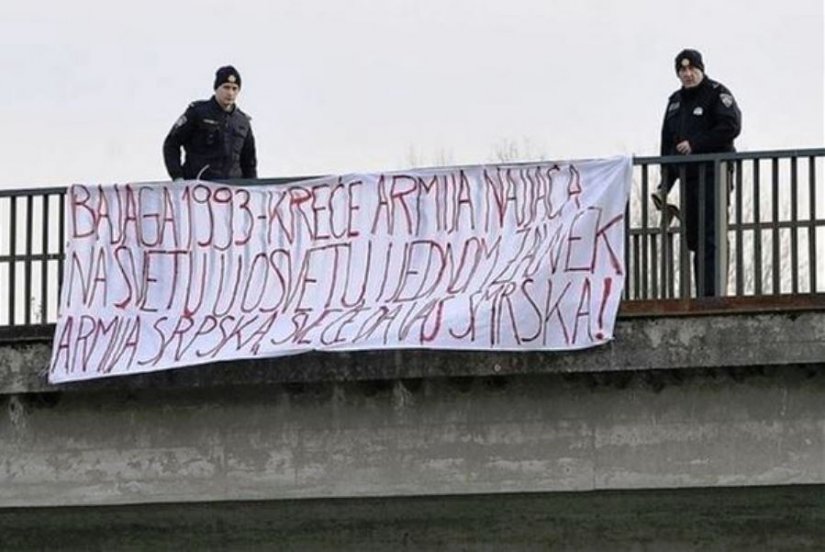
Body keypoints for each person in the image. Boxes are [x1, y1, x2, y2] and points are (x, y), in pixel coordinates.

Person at [654, 48, 741, 297]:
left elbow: (731, 126)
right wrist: (665, 184)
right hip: (689, 178)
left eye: (692, 69)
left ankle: (713, 294)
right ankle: (702, 292)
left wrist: (696, 144)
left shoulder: (716, 93)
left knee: (712, 233)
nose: (687, 74)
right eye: (682, 70)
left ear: (701, 69)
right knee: (695, 236)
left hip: (714, 173)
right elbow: (668, 146)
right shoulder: (675, 102)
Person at [163, 65, 257, 181]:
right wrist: (177, 177)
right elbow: (171, 143)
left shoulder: (242, 122)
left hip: (233, 191)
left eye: (234, 88)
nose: (230, 93)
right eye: (226, 87)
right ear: (216, 88)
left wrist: (252, 187)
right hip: (197, 189)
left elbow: (249, 161)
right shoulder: (198, 112)